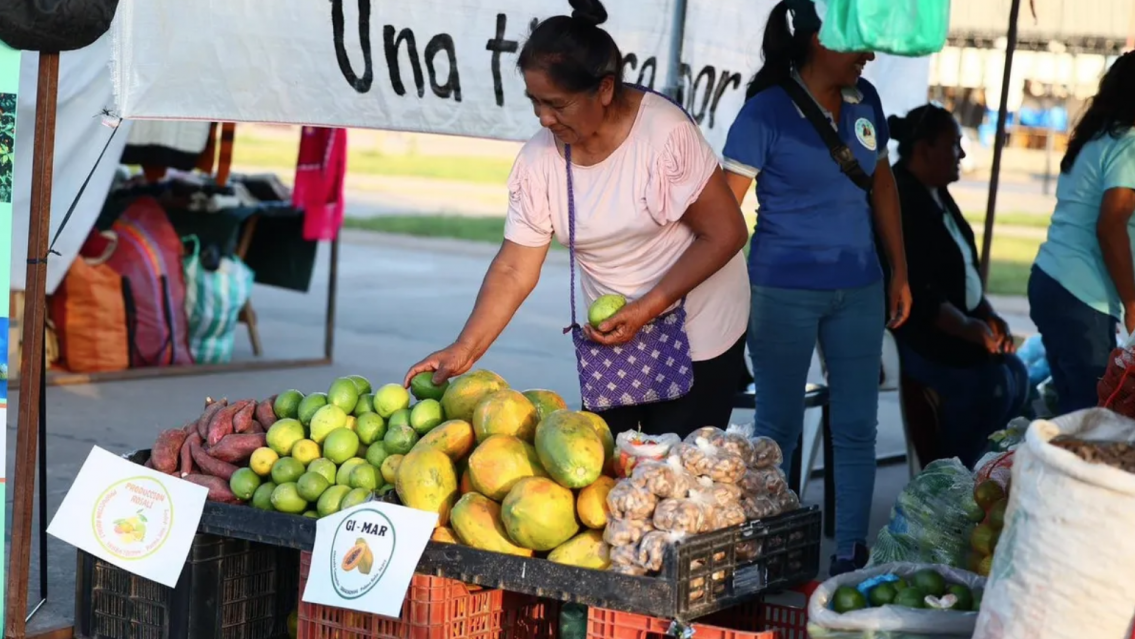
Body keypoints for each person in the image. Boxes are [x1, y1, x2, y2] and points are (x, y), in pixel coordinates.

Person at [403, 0, 750, 438]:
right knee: (605, 460)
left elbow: (725, 233)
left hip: (698, 328)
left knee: (677, 467)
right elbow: (513, 269)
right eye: (535, 102)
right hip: (617, 335)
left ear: (604, 89)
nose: (543, 118)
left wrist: (647, 308)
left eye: (557, 104)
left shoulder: (664, 134)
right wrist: (465, 347)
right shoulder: (538, 161)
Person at [721, 0, 910, 576]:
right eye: (857, 41)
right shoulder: (765, 112)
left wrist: (899, 271)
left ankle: (850, 549)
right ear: (819, 41)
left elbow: (882, 186)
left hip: (861, 287)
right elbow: (724, 210)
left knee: (857, 426)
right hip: (782, 290)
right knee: (776, 427)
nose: (869, 54)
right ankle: (770, 550)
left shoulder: (865, 99)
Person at [888, 103, 1029, 468]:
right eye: (954, 144)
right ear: (924, 149)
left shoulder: (937, 192)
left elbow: (963, 269)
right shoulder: (903, 197)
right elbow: (920, 287)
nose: (962, 154)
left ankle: (980, 468)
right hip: (920, 335)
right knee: (992, 385)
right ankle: (950, 471)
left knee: (1016, 373)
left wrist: (988, 316)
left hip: (955, 327)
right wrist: (967, 327)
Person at [1030, 51, 1135, 415]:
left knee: (1076, 410)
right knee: (1093, 415)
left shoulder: (1097, 138)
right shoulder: (1130, 143)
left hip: (1053, 280)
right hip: (1082, 295)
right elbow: (1111, 225)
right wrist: (1133, 302)